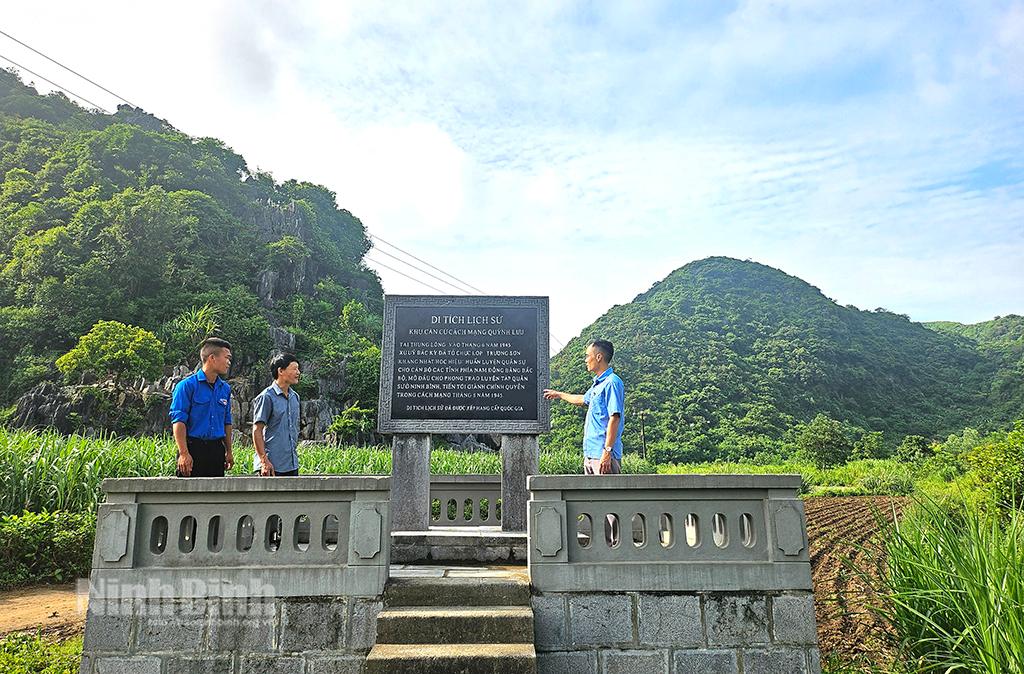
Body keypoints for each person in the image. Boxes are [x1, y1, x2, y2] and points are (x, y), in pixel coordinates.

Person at [543, 339, 626, 475]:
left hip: (603, 455)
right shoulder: (598, 385)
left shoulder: (612, 382)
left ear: (599, 357)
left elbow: (615, 417)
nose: (585, 360)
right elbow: (582, 399)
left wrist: (607, 451)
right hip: (591, 453)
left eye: (588, 356)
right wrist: (558, 394)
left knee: (606, 490)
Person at [169, 337, 234, 477]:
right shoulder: (186, 386)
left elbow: (227, 422)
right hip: (193, 448)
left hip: (216, 450)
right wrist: (184, 453)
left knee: (216, 491)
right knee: (188, 491)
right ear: (212, 358)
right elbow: (179, 421)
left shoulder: (225, 389)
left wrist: (229, 451)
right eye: (227, 358)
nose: (229, 362)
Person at [251, 352, 302, 476]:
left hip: (291, 464)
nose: (298, 372)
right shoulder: (266, 397)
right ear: (281, 371)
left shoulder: (295, 397)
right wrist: (264, 461)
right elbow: (257, 430)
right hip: (271, 465)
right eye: (294, 369)